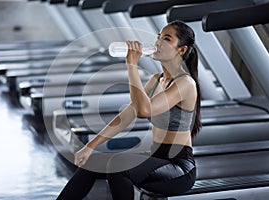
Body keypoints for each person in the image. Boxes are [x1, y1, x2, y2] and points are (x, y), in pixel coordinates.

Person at [57, 20, 202, 200]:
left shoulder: (185, 83)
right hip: (156, 158)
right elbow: (126, 116)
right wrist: (90, 146)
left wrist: (131, 66)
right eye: (158, 37)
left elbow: (143, 110)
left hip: (178, 169)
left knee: (119, 166)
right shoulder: (157, 80)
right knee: (94, 162)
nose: (157, 43)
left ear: (182, 50)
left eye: (166, 39)